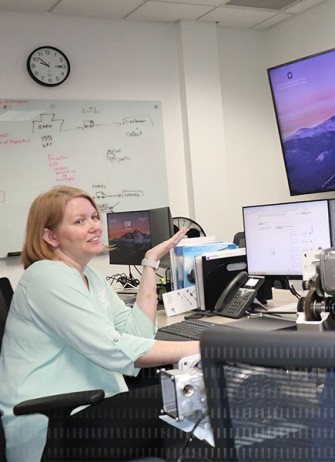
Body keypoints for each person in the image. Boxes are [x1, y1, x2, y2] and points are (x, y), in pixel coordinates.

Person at [0, 186, 199, 461]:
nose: (94, 226)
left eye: (94, 217)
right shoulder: (46, 278)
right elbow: (115, 349)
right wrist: (203, 347)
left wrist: (150, 262)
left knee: (184, 396)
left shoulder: (89, 276)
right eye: (79, 221)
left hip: (89, 405)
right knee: (186, 397)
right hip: (52, 425)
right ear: (50, 236)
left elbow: (137, 333)